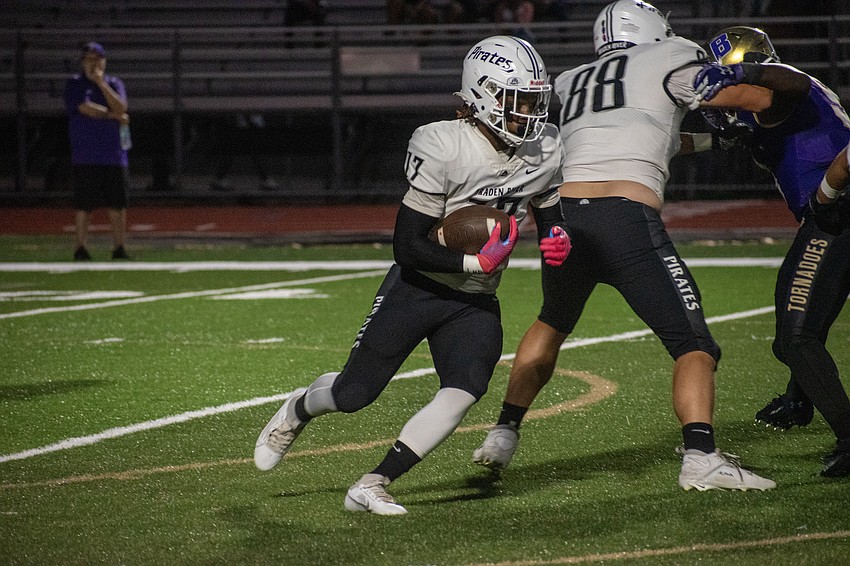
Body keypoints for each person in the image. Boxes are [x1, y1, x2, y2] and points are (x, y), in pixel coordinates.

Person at [253, 35, 571, 515]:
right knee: (353, 394)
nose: (530, 112)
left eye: (534, 100)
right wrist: (472, 261)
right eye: (518, 100)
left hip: (475, 296)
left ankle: (374, 482)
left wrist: (557, 238)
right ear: (482, 94)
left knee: (465, 388)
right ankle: (299, 407)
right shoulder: (442, 143)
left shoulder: (545, 147)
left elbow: (549, 212)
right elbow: (407, 246)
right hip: (417, 288)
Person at [471, 0, 777, 491]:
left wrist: (715, 144)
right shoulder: (671, 55)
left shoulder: (570, 80)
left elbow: (645, 131)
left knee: (553, 320)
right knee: (693, 343)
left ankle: (504, 430)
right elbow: (736, 98)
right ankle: (700, 457)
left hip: (564, 216)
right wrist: (764, 106)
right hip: (624, 217)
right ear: (656, 30)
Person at [691, 27, 850, 478]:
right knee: (805, 316)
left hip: (838, 214)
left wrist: (745, 73)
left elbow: (789, 82)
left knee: (795, 337)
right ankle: (799, 400)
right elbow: (719, 140)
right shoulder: (768, 112)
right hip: (835, 215)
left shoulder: (783, 89)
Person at [63, 41, 131, 261]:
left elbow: (121, 106)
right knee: (84, 204)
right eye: (88, 59)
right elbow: (85, 108)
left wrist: (102, 84)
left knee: (117, 203)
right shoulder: (75, 84)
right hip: (86, 153)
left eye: (96, 59)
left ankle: (119, 247)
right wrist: (112, 115)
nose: (92, 64)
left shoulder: (114, 83)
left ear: (104, 61)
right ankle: (80, 247)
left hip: (113, 153)